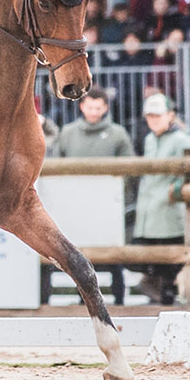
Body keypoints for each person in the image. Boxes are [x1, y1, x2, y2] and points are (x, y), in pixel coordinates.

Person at [55, 87, 134, 305]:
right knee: (78, 252)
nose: (93, 112)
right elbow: (56, 164)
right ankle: (82, 300)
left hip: (108, 205)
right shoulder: (68, 133)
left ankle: (119, 301)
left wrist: (118, 194)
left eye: (98, 108)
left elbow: (130, 167)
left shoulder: (118, 134)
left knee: (113, 255)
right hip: (75, 204)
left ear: (106, 108)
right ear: (82, 106)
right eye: (90, 107)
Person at [135, 93, 190, 305]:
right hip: (150, 209)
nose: (153, 120)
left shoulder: (182, 140)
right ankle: (160, 298)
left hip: (168, 209)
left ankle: (166, 297)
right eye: (150, 116)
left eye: (158, 116)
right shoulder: (150, 139)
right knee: (152, 259)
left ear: (170, 116)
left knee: (168, 261)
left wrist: (178, 189)